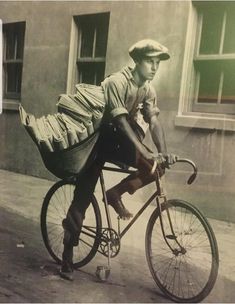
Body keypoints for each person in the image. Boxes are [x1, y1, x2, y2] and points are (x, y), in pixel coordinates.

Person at [60, 39, 177, 281]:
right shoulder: (117, 82)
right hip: (97, 140)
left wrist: (162, 152)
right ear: (137, 61)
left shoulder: (147, 88)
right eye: (149, 61)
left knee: (156, 168)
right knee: (82, 197)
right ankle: (67, 253)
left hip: (119, 141)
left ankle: (115, 194)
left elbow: (153, 121)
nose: (154, 67)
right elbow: (122, 122)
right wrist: (143, 151)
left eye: (157, 63)